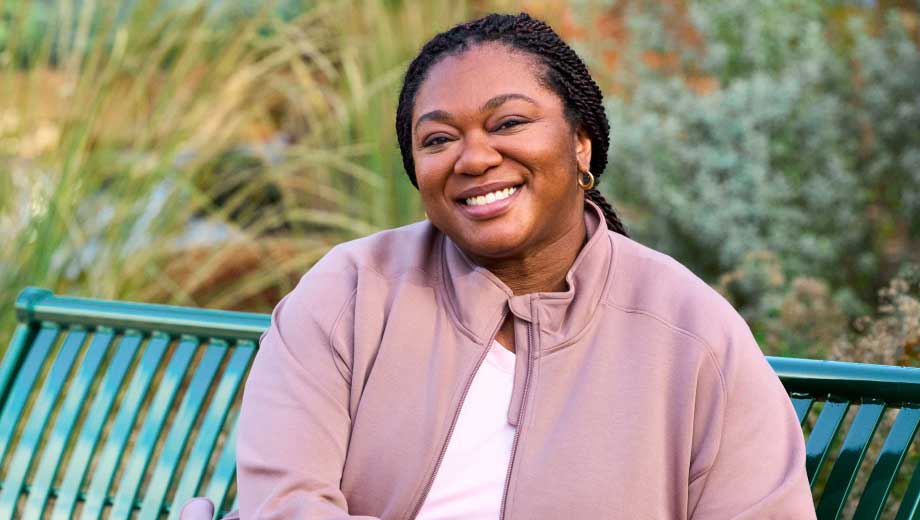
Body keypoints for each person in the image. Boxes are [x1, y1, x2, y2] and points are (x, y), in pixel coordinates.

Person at [183, 12, 815, 520]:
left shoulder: (691, 333)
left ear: (580, 143)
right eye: (437, 139)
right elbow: (285, 501)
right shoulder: (350, 291)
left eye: (509, 122)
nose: (474, 157)